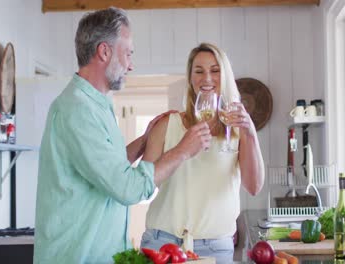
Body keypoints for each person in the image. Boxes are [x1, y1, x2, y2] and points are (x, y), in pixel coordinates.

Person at [33, 8, 212, 264]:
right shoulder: (77, 110)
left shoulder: (97, 104)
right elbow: (127, 187)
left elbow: (105, 168)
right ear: (104, 52)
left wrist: (143, 141)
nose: (131, 64)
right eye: (127, 53)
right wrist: (183, 150)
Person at [140, 43, 265, 263]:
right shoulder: (167, 125)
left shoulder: (238, 129)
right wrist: (181, 150)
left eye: (215, 71)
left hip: (215, 247)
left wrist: (250, 133)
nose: (207, 78)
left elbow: (253, 187)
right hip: (162, 243)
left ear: (225, 76)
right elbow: (143, 186)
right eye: (199, 71)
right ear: (190, 78)